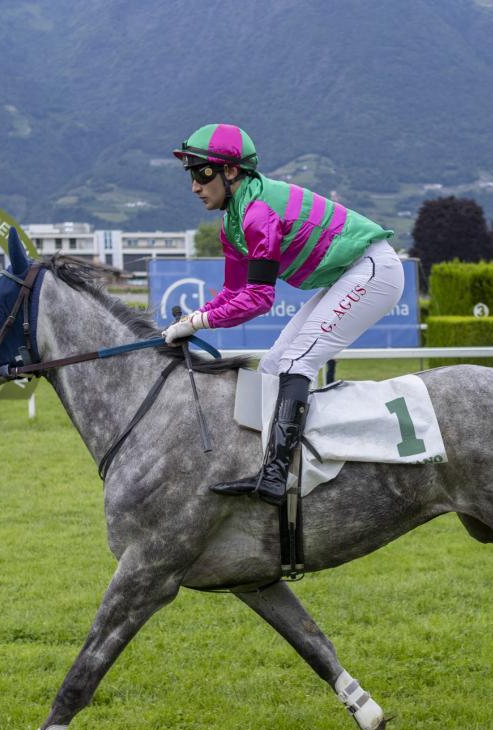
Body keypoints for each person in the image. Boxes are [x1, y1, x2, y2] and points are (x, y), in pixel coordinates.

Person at [162, 123, 404, 506]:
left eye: (202, 173)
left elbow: (259, 299)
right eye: (191, 175)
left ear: (231, 171)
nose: (194, 186)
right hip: (349, 274)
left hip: (374, 270)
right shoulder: (233, 221)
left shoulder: (258, 213)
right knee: (273, 365)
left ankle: (277, 474)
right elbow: (232, 292)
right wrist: (192, 319)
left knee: (295, 362)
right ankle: (260, 465)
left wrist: (198, 322)